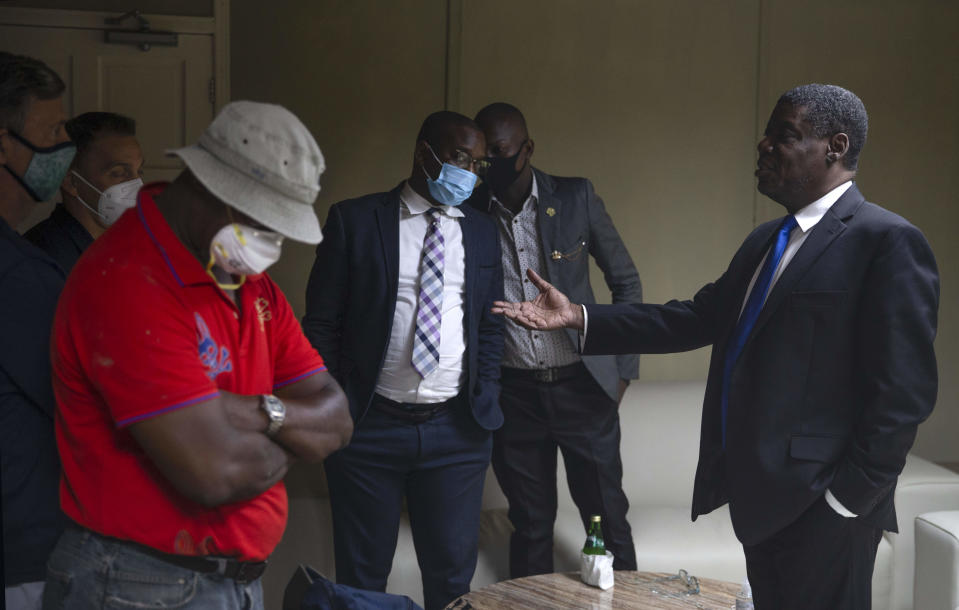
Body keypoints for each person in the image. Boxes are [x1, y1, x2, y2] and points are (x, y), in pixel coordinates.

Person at [493, 84, 939, 609]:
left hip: (826, 509)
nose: (764, 145)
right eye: (769, 132)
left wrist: (845, 502)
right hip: (761, 504)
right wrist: (578, 317)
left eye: (784, 134)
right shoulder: (766, 241)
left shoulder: (886, 241)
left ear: (835, 147)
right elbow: (694, 318)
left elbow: (902, 396)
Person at [44, 101, 353, 609]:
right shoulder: (129, 282)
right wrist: (295, 436)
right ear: (212, 188)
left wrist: (250, 410)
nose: (271, 243)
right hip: (137, 584)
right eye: (263, 222)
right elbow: (216, 473)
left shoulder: (251, 284)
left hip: (231, 581)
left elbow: (336, 419)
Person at [302, 111, 504, 610]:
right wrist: (338, 401)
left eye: (478, 164)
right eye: (460, 158)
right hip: (369, 428)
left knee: (453, 578)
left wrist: (486, 391)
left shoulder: (482, 231)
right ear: (423, 153)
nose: (470, 173)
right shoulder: (355, 220)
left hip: (456, 432)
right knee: (363, 578)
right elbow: (321, 323)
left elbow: (489, 323)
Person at [468, 102, 642, 576]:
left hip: (582, 386)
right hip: (514, 395)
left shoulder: (574, 197)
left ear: (526, 150)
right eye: (483, 158)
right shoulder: (470, 211)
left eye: (500, 153)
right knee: (529, 524)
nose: (489, 167)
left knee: (605, 520)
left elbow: (626, 282)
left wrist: (621, 375)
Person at [0, 51, 73, 610]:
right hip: (24, 555)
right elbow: (80, 398)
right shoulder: (20, 274)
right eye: (51, 132)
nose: (63, 147)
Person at [25, 111, 144, 273]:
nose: (136, 185)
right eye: (118, 173)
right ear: (71, 182)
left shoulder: (126, 246)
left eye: (139, 171)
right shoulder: (43, 260)